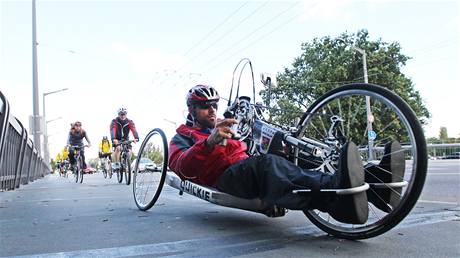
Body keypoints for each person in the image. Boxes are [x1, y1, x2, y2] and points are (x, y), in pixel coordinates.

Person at [168, 85, 403, 224]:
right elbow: (182, 166)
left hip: (245, 164)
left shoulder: (226, 123)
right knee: (267, 165)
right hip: (224, 177)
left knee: (293, 153)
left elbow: (250, 140)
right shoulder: (183, 135)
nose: (212, 110)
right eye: (205, 106)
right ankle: (339, 195)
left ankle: (378, 181)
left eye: (214, 105)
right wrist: (208, 143)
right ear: (192, 109)